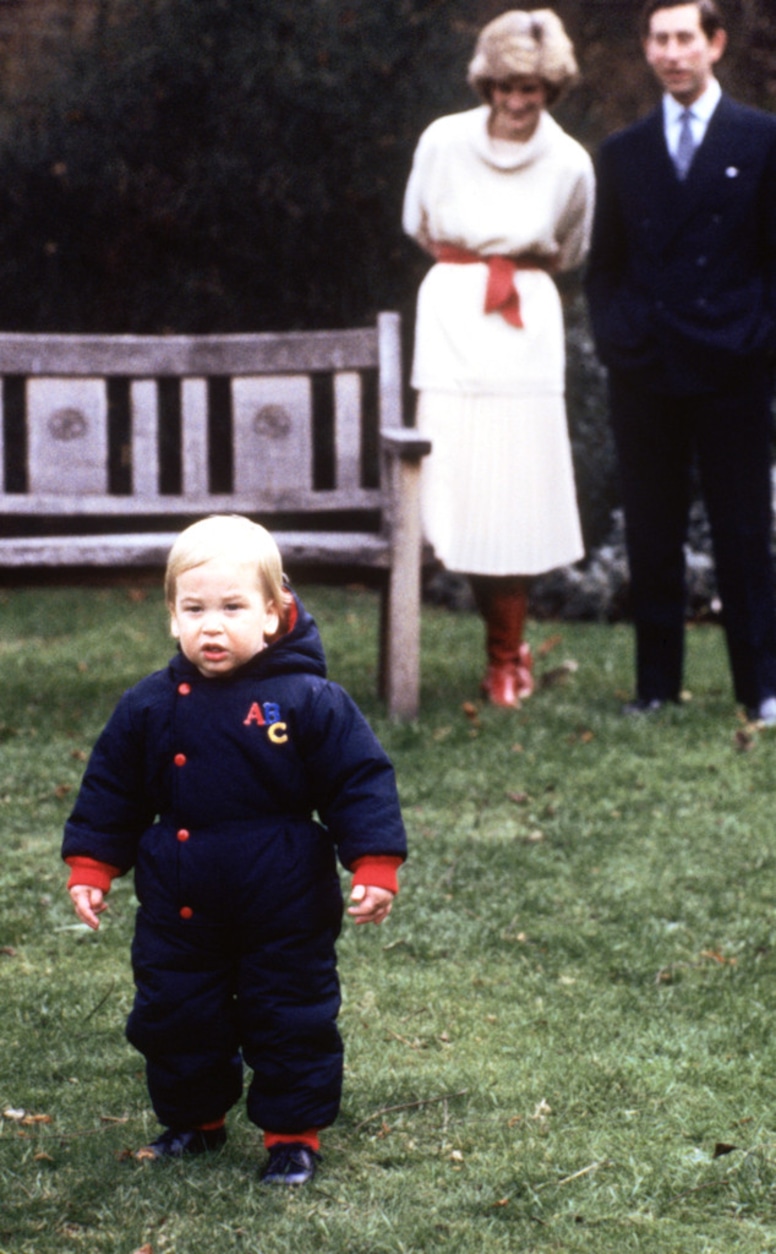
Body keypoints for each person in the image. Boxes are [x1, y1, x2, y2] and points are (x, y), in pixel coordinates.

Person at [62, 515, 407, 1186]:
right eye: (194, 609)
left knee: (291, 1011)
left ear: (274, 615)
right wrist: (93, 866)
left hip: (285, 895)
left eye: (232, 608)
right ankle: (194, 1121)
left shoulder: (309, 700)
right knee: (176, 1010)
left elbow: (358, 780)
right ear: (171, 618)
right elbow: (112, 789)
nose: (211, 627)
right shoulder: (149, 706)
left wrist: (374, 863)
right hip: (180, 895)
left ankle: (292, 1135)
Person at [586, 0, 776, 722]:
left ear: (715, 44)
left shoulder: (761, 138)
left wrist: (758, 337)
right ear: (646, 49)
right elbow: (604, 269)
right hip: (648, 368)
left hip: (733, 366)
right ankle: (656, 688)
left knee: (743, 530)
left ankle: (762, 686)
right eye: (658, 40)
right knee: (652, 530)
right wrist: (619, 339)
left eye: (684, 39)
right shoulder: (624, 152)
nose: (671, 53)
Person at [403, 9, 594, 707]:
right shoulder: (443, 141)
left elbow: (571, 245)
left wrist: (510, 259)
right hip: (454, 314)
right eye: (506, 87)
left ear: (552, 91)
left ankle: (507, 658)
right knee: (452, 480)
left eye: (532, 91)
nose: (517, 103)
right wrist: (473, 262)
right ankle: (450, 640)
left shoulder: (571, 160)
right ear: (486, 84)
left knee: (514, 491)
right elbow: (417, 221)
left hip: (525, 326)